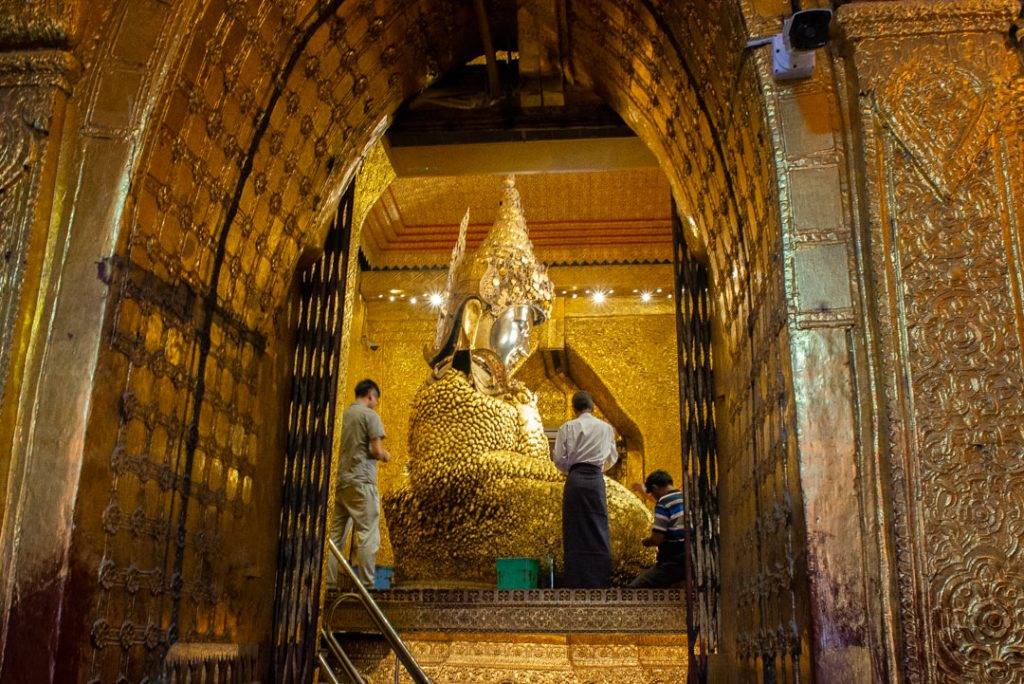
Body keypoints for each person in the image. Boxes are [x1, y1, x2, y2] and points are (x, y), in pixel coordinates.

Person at [552, 390, 618, 588]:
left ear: (574, 408)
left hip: (575, 480)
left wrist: (572, 469)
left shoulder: (567, 427)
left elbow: (558, 458)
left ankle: (575, 582)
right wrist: (597, 468)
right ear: (593, 407)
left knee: (574, 530)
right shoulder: (606, 428)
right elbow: (612, 457)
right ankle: (600, 582)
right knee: (598, 527)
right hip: (595, 481)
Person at [329, 379, 390, 588]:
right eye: (375, 400)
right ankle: (367, 587)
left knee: (335, 538)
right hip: (362, 483)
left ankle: (327, 585)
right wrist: (385, 456)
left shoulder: (343, 415)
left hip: (340, 484)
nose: (375, 404)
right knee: (367, 535)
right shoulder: (370, 416)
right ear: (371, 395)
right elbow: (375, 449)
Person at [629, 470, 687, 588]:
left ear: (655, 488)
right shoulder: (684, 497)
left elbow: (657, 539)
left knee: (634, 589)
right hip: (693, 557)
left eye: (652, 494)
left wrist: (645, 542)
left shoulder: (663, 503)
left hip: (674, 560)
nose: (654, 497)